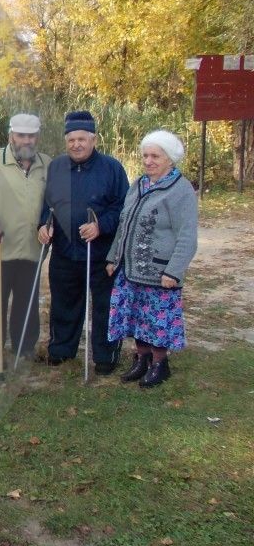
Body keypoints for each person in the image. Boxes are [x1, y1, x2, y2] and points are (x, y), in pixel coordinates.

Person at [38, 110, 129, 373]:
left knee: (103, 306)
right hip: (65, 252)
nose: (76, 144)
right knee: (64, 303)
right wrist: (43, 225)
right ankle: (61, 350)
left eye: (82, 139)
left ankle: (105, 355)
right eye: (71, 140)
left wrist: (101, 226)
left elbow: (122, 208)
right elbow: (47, 205)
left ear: (93, 140)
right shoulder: (56, 167)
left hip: (100, 253)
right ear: (66, 141)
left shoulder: (112, 168)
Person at [106, 131, 198, 387]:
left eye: (155, 156)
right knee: (136, 316)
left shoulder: (180, 190)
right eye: (145, 155)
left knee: (157, 320)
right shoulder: (139, 185)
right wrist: (113, 257)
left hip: (160, 273)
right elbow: (124, 223)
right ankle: (142, 360)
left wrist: (174, 271)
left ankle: (160, 364)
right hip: (130, 269)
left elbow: (188, 236)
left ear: (170, 159)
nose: (148, 161)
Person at [0, 113, 50, 366]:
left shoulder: (46, 164)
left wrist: (49, 225)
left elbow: (53, 204)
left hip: (31, 247)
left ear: (37, 137)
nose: (26, 140)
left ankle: (23, 348)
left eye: (31, 135)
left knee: (26, 302)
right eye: (20, 135)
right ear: (10, 136)